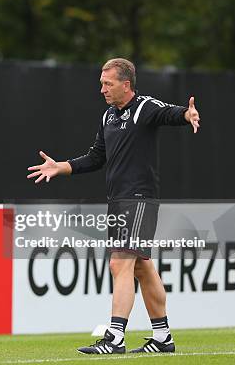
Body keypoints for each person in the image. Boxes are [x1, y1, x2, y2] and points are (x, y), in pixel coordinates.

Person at [27, 58, 200, 355]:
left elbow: (168, 114)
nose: (102, 89)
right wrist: (62, 167)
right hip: (119, 200)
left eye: (108, 84)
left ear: (126, 85)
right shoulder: (108, 116)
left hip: (139, 198)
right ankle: (163, 338)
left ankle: (115, 338)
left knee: (119, 262)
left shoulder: (144, 107)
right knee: (143, 268)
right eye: (101, 84)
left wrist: (187, 114)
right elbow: (96, 157)